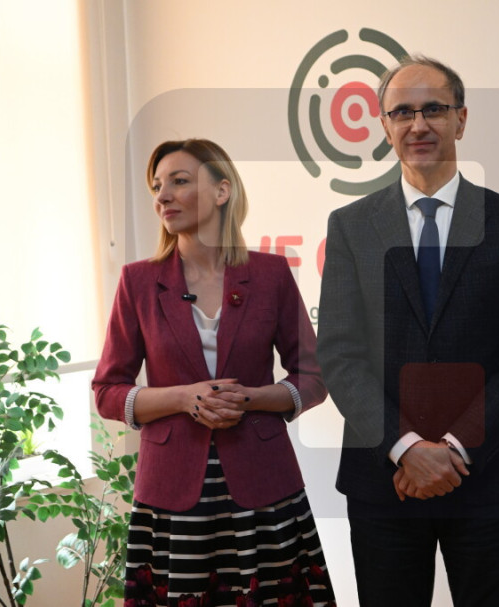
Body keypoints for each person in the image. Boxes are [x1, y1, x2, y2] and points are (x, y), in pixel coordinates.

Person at [317, 55, 499, 606]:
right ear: (385, 126)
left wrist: (453, 449)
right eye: (402, 112)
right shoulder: (350, 226)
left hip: (483, 478)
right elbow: (341, 356)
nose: (418, 125)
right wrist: (405, 449)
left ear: (460, 120)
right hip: (384, 482)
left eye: (434, 110)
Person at [92, 139, 335, 607]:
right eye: (157, 186)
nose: (163, 196)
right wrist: (185, 398)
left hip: (264, 486)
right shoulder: (138, 282)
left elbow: (313, 376)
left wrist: (249, 398)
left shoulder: (271, 275)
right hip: (172, 490)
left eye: (179, 181)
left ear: (222, 191)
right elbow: (106, 390)